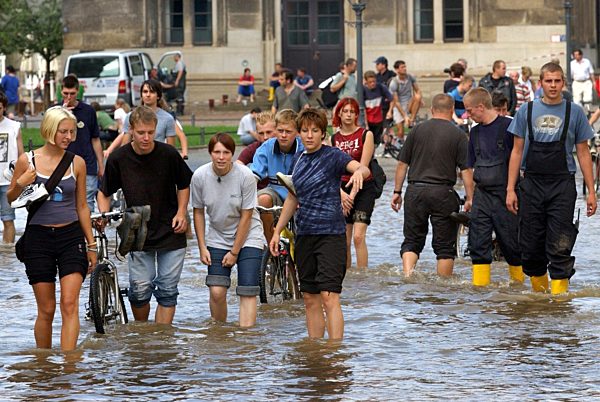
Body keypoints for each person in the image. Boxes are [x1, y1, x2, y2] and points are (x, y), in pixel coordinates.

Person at [270, 108, 370, 340]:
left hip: (331, 235)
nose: (309, 135)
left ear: (323, 133)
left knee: (329, 296)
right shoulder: (298, 159)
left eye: (315, 131)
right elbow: (293, 198)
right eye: (304, 131)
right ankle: (315, 352)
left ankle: (334, 353)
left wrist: (358, 173)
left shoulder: (333, 155)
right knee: (310, 297)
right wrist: (276, 232)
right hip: (304, 235)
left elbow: (361, 168)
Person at [7, 106, 96, 351]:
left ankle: (69, 366)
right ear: (49, 130)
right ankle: (44, 365)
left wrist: (92, 244)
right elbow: (11, 199)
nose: (68, 137)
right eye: (63, 132)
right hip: (38, 238)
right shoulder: (28, 161)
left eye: (71, 132)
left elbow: (82, 207)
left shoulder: (76, 163)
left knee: (69, 303)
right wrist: (22, 182)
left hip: (71, 237)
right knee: (46, 309)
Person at [506, 62, 596, 295]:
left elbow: (583, 153)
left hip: (562, 185)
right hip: (531, 183)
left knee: (560, 246)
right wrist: (510, 189)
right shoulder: (526, 111)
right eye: (549, 81)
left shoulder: (574, 111)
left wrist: (592, 191)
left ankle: (559, 303)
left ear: (563, 83)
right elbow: (516, 151)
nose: (553, 85)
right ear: (540, 83)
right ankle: (540, 302)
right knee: (531, 247)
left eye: (557, 81)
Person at [98, 105, 193, 324]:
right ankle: (143, 333)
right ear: (131, 130)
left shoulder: (168, 154)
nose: (146, 137)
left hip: (171, 226)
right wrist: (104, 214)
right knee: (139, 290)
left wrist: (181, 212)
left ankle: (160, 340)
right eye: (141, 133)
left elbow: (184, 184)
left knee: (168, 290)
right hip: (137, 226)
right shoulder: (118, 158)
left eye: (151, 132)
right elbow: (103, 192)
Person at [390, 94, 468, 278]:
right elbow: (466, 170)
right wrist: (470, 197)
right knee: (445, 247)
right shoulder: (458, 135)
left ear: (432, 110)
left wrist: (397, 191)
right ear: (451, 111)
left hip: (415, 190)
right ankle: (443, 286)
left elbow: (402, 164)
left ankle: (408, 276)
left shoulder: (416, 130)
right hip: (443, 192)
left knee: (412, 240)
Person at [192, 133, 264, 328]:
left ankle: (245, 340)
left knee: (247, 290)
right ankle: (220, 334)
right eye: (217, 152)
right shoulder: (199, 176)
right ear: (210, 153)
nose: (221, 157)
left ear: (232, 154)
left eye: (226, 152)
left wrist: (234, 252)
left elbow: (247, 216)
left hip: (249, 235)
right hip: (217, 236)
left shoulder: (245, 176)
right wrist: (202, 247)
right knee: (216, 291)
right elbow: (198, 212)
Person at [461, 88, 522, 286]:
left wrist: (512, 191)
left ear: (480, 106)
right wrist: (470, 197)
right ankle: (480, 292)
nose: (468, 115)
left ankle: (519, 287)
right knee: (477, 244)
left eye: (470, 111)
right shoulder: (475, 131)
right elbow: (469, 167)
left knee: (512, 245)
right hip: (482, 195)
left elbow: (521, 160)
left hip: (506, 194)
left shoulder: (510, 126)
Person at [332, 97, 376, 269]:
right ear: (339, 114)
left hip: (363, 188)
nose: (348, 115)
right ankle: (347, 275)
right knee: (344, 239)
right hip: (341, 189)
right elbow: (332, 170)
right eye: (345, 111)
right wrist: (342, 195)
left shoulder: (366, 134)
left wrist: (351, 196)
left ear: (356, 114)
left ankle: (363, 275)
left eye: (352, 111)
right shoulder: (333, 138)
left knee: (358, 236)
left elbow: (363, 168)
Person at [252, 109, 304, 242]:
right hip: (275, 192)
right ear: (275, 130)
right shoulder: (266, 147)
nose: (283, 135)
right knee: (263, 199)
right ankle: (272, 245)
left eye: (288, 132)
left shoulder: (303, 148)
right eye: (280, 131)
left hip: (300, 195)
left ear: (297, 132)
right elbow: (254, 175)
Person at [60, 75, 103, 212]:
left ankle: (86, 233)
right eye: (66, 93)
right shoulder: (55, 111)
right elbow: (50, 138)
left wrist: (101, 165)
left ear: (77, 92)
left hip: (87, 164)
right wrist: (63, 115)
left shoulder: (88, 111)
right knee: (65, 203)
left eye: (72, 93)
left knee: (87, 202)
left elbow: (95, 139)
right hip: (63, 165)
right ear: (61, 91)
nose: (69, 97)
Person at [104, 79, 177, 157]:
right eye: (145, 92)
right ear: (141, 95)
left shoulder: (167, 118)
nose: (148, 95)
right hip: (136, 160)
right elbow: (125, 144)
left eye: (152, 92)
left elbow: (171, 149)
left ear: (158, 96)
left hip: (158, 160)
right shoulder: (131, 116)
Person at [0, 92, 24, 243]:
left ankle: (8, 254)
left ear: (3, 107)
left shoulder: (14, 126)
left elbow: (21, 155)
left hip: (8, 181)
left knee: (8, 220)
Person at [236, 111, 276, 190]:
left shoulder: (286, 147)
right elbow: (238, 166)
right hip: (259, 192)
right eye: (261, 133)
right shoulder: (254, 148)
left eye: (269, 132)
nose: (265, 137)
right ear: (256, 133)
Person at [388, 60, 422, 136]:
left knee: (417, 96)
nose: (405, 68)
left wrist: (420, 100)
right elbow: (396, 102)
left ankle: (412, 120)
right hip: (399, 105)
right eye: (402, 67)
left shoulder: (410, 77)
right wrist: (405, 116)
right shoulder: (394, 82)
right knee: (400, 131)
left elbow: (417, 90)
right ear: (397, 70)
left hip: (408, 103)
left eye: (405, 66)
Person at [363, 70, 393, 147]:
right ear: (366, 82)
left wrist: (389, 111)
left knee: (376, 141)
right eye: (370, 82)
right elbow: (363, 109)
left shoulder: (380, 87)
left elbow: (392, 99)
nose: (373, 84)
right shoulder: (363, 91)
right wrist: (366, 123)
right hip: (369, 120)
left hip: (378, 119)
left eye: (374, 81)